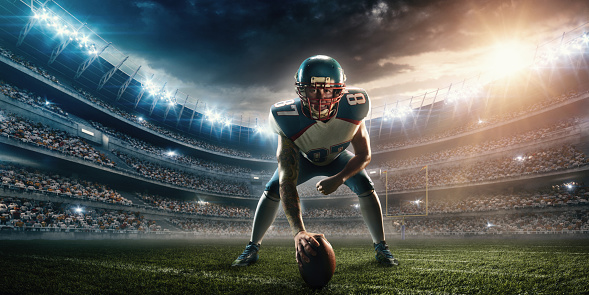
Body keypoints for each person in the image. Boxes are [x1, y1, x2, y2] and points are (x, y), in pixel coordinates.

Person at [232, 55, 398, 267]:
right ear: (301, 90)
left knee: (366, 185)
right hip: (304, 160)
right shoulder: (286, 116)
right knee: (273, 187)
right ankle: (252, 247)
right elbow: (287, 181)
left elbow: (363, 155)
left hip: (339, 159)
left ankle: (381, 246)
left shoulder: (355, 104)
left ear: (339, 90)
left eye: (327, 90)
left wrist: (339, 178)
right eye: (312, 90)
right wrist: (298, 232)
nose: (320, 98)